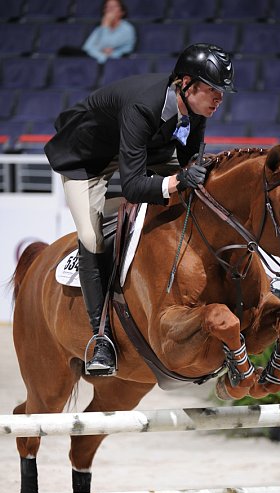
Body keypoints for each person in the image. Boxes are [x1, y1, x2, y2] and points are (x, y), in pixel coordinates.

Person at [45, 43, 236, 376]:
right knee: (91, 236)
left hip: (142, 152)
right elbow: (132, 187)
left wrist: (193, 176)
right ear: (187, 83)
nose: (219, 98)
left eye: (222, 92)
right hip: (87, 160)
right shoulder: (142, 105)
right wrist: (178, 181)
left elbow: (187, 160)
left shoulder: (196, 110)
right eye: (213, 90)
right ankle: (100, 336)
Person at [59, 0, 136, 63]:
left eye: (113, 7)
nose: (109, 10)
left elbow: (105, 44)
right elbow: (87, 47)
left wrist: (106, 24)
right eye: (107, 7)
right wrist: (101, 54)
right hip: (98, 59)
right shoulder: (99, 29)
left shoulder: (127, 28)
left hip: (117, 61)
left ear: (122, 12)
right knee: (65, 50)